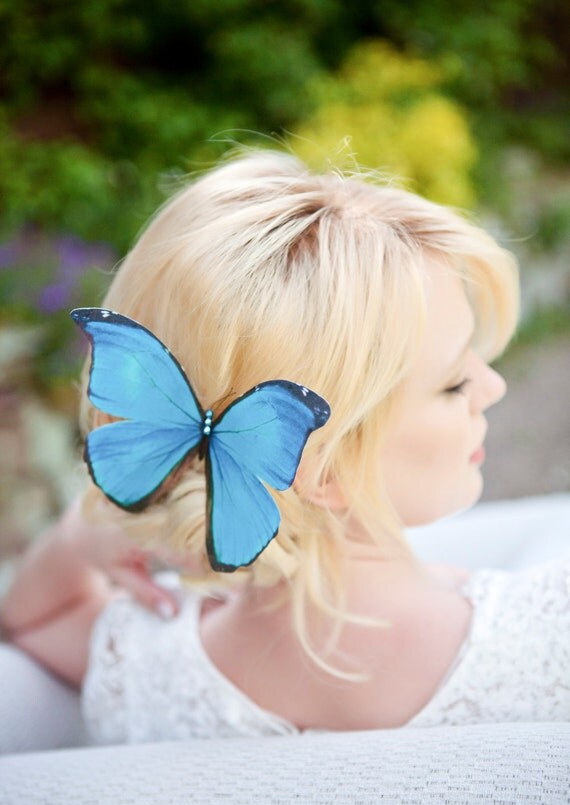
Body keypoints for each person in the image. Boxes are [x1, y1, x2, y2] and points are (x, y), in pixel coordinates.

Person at [1, 150, 568, 742]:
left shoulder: (146, 671)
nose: (494, 385)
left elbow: (31, 618)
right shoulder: (545, 638)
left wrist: (82, 537)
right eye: (454, 383)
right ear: (322, 470)